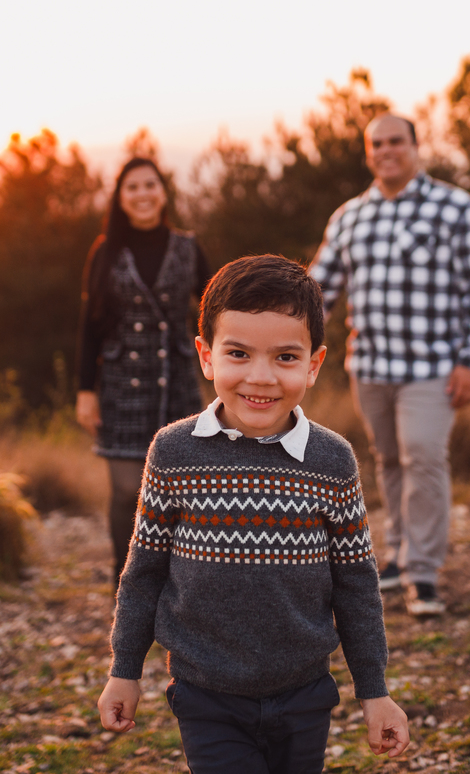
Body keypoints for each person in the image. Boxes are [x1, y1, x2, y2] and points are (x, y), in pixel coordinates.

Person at [97, 255, 410, 773]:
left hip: (305, 693)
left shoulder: (332, 461)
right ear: (206, 355)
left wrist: (373, 690)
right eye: (238, 353)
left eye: (286, 357)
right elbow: (143, 573)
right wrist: (125, 668)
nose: (260, 378)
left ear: (314, 363)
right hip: (206, 695)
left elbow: (356, 584)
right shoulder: (174, 453)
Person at [310, 114, 470, 617]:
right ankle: (396, 555)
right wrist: (287, 338)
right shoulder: (349, 216)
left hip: (433, 365)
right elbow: (319, 290)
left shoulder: (460, 210)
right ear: (367, 152)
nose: (386, 150)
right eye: (376, 144)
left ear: (416, 146)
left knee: (423, 456)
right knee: (389, 460)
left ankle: (424, 572)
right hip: (370, 365)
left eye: (396, 141)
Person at [76, 157, 213, 587]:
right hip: (120, 385)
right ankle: (128, 583)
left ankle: (178, 581)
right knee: (123, 492)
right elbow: (90, 324)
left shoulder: (188, 248)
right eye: (132, 187)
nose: (142, 194)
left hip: (175, 382)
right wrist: (85, 390)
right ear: (121, 197)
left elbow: (217, 310)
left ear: (163, 191)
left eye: (150, 185)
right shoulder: (105, 251)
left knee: (181, 490)